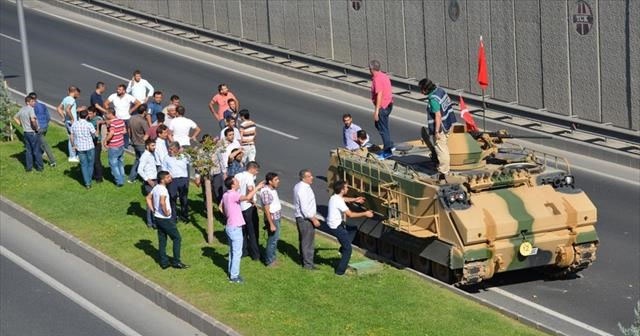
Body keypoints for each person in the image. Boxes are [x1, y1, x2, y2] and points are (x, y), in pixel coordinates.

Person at [220, 176, 264, 283]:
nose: (238, 182)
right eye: (236, 181)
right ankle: (234, 276)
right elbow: (248, 197)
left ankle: (231, 273)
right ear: (232, 184)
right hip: (235, 228)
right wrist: (257, 187)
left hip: (230, 226)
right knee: (237, 253)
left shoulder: (226, 194)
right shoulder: (234, 194)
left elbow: (220, 207)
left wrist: (229, 215)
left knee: (232, 251)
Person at [327, 180, 374, 275]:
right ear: (342, 190)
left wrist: (355, 199)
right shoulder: (338, 201)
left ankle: (342, 249)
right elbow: (350, 214)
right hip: (336, 227)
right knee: (348, 250)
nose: (348, 188)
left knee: (352, 229)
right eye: (346, 187)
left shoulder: (335, 197)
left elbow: (345, 199)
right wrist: (365, 213)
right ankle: (340, 272)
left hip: (335, 224)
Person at [146, 170, 189, 270]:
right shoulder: (163, 190)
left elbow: (148, 198)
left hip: (157, 218)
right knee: (177, 238)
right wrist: (166, 212)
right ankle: (176, 261)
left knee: (162, 240)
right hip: (165, 219)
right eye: (168, 177)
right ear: (162, 180)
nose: (171, 178)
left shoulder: (156, 188)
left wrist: (153, 210)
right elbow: (162, 202)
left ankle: (164, 262)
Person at [419, 78, 457, 179]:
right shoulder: (440, 90)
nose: (421, 91)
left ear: (426, 89)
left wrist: (436, 131)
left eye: (421, 89)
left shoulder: (433, 99)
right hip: (449, 121)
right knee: (443, 146)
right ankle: (444, 167)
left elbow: (438, 115)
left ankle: (443, 172)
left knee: (441, 149)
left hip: (442, 127)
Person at [293, 169, 321, 270]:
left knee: (304, 241)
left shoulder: (300, 186)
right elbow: (305, 209)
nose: (312, 177)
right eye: (309, 176)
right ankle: (308, 265)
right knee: (307, 242)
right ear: (303, 178)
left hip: (304, 218)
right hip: (306, 219)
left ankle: (305, 260)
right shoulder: (302, 189)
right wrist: (313, 219)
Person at [235, 161, 261, 261]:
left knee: (243, 230)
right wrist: (252, 201)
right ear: (252, 169)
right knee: (253, 231)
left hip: (239, 206)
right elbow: (250, 188)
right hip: (248, 207)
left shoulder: (238, 175)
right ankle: (255, 254)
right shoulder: (249, 177)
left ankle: (244, 250)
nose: (257, 173)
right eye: (257, 170)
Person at [369, 60, 394, 159]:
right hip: (389, 104)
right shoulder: (384, 76)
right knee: (382, 126)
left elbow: (379, 94)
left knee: (382, 128)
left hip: (382, 106)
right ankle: (388, 143)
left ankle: (388, 150)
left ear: (371, 69)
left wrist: (376, 110)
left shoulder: (377, 79)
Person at [104, 84, 141, 148]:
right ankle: (116, 145)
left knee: (126, 133)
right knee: (116, 133)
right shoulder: (113, 96)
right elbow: (105, 103)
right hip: (116, 119)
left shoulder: (129, 97)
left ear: (124, 91)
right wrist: (110, 112)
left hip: (126, 118)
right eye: (117, 89)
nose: (117, 91)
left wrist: (131, 110)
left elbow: (138, 103)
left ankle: (125, 146)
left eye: (119, 89)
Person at [162, 142, 191, 222]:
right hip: (172, 180)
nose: (169, 151)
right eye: (169, 149)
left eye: (172, 149)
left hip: (183, 179)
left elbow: (192, 161)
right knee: (172, 197)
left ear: (177, 150)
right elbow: (164, 169)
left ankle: (185, 215)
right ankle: (173, 216)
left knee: (184, 198)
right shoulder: (166, 158)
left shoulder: (184, 156)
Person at [13, 95, 43, 172]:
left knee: (28, 151)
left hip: (26, 133)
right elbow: (33, 120)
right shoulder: (31, 109)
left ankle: (29, 168)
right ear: (27, 102)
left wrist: (21, 124)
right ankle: (40, 167)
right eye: (32, 101)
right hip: (32, 132)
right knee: (36, 150)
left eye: (34, 101)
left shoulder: (22, 109)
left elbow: (15, 117)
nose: (34, 102)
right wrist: (36, 128)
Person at [70, 108, 96, 189]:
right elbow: (95, 134)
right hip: (89, 146)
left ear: (79, 116)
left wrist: (73, 145)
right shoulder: (89, 124)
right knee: (90, 164)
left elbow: (71, 136)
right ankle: (89, 179)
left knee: (84, 165)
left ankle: (87, 183)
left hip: (80, 147)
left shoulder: (74, 124)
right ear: (87, 116)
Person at [29, 92, 56, 167]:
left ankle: (52, 161)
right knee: (40, 142)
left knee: (44, 144)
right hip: (45, 127)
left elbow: (32, 119)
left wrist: (35, 128)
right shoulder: (43, 105)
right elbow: (48, 117)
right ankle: (40, 154)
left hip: (38, 128)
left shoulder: (32, 108)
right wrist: (45, 124)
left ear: (31, 99)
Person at [260, 172, 281, 267]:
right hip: (272, 219)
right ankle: (269, 261)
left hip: (277, 217)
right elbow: (266, 209)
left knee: (275, 239)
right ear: (270, 181)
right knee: (272, 240)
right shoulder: (266, 192)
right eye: (276, 180)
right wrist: (271, 223)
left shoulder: (272, 189)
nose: (278, 181)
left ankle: (272, 257)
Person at [103, 109, 126, 187]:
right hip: (121, 144)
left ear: (110, 114)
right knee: (120, 162)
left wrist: (105, 140)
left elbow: (112, 133)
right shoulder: (121, 121)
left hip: (114, 146)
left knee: (113, 164)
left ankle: (119, 181)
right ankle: (122, 178)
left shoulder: (112, 123)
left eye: (106, 114)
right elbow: (124, 131)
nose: (105, 115)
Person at [138, 138, 158, 228]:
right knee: (151, 202)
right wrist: (148, 180)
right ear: (147, 146)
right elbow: (139, 170)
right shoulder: (145, 156)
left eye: (154, 145)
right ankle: (151, 222)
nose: (154, 147)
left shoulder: (151, 154)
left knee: (154, 201)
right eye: (152, 145)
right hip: (150, 182)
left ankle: (153, 221)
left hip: (155, 180)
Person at [127, 104, 150, 183]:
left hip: (134, 143)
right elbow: (147, 133)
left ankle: (131, 178)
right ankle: (146, 180)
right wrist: (144, 141)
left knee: (137, 160)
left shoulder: (131, 118)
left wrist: (131, 139)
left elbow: (129, 130)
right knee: (145, 162)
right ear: (144, 111)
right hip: (142, 144)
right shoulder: (143, 121)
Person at [57, 85, 80, 162]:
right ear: (74, 91)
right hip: (71, 122)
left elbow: (58, 108)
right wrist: (72, 118)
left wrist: (63, 117)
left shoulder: (65, 99)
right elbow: (67, 109)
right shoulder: (71, 99)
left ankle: (73, 155)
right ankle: (73, 156)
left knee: (71, 137)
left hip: (67, 121)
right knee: (74, 138)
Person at [87, 107, 105, 182]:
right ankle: (93, 174)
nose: (89, 115)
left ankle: (99, 177)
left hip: (97, 143)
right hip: (89, 143)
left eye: (90, 113)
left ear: (94, 113)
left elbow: (104, 121)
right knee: (91, 160)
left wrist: (100, 123)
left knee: (96, 160)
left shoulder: (97, 119)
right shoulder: (87, 119)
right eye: (88, 113)